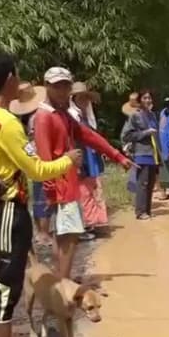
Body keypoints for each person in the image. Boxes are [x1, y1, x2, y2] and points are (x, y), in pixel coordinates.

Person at [0, 50, 81, 337]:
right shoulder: (7, 124)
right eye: (18, 76)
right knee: (6, 290)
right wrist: (67, 161)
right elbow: (35, 169)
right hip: (8, 210)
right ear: (11, 79)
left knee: (5, 287)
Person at [33, 67, 132, 281]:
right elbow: (43, 157)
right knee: (69, 236)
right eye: (56, 86)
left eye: (65, 86)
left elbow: (88, 135)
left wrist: (117, 155)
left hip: (68, 183)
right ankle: (64, 284)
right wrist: (51, 190)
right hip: (60, 187)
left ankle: (61, 280)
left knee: (66, 235)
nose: (61, 90)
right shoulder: (44, 117)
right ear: (47, 87)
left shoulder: (62, 115)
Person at [9, 84, 52, 247]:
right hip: (40, 156)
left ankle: (40, 232)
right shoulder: (38, 116)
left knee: (37, 195)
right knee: (44, 194)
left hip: (29, 157)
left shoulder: (21, 119)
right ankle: (44, 233)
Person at [69, 82, 108, 239]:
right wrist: (77, 165)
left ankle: (93, 223)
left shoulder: (86, 117)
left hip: (91, 157)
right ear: (74, 98)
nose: (85, 101)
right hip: (81, 159)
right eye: (81, 98)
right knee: (83, 192)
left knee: (93, 189)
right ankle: (84, 226)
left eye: (86, 98)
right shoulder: (73, 117)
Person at [121, 90, 161, 220]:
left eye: (149, 98)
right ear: (140, 101)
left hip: (153, 153)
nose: (148, 100)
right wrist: (146, 133)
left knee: (150, 183)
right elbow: (127, 135)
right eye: (145, 98)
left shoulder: (152, 115)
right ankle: (140, 212)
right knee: (142, 183)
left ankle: (147, 211)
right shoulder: (135, 116)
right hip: (141, 154)